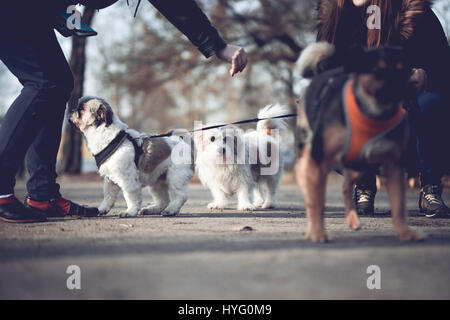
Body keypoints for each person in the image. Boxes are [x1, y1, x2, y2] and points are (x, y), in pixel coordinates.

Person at [0, 0, 248, 223]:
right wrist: (217, 46)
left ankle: (42, 196)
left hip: (30, 11)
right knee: (46, 82)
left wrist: (215, 45)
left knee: (56, 82)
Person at [315, 0, 450, 217]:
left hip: (409, 113)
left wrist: (426, 75)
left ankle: (431, 187)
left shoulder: (413, 10)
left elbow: (444, 63)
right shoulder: (334, 15)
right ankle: (363, 183)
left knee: (433, 101)